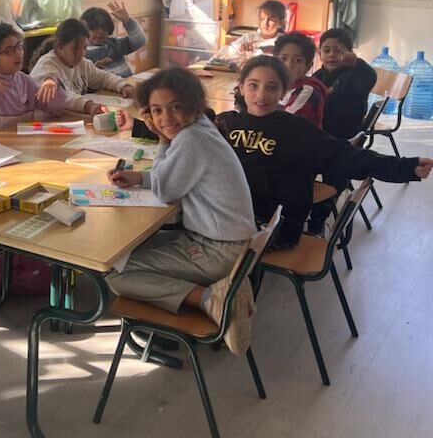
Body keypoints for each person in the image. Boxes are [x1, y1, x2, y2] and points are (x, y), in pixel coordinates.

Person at [105, 68, 258, 355]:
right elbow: (178, 177)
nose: (165, 118)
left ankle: (211, 299)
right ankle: (216, 292)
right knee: (130, 251)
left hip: (218, 250)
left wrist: (162, 141)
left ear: (194, 105)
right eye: (157, 110)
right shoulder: (201, 128)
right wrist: (141, 178)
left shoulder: (191, 139)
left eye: (175, 107)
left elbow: (166, 190)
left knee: (115, 273)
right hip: (230, 243)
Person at [217, 55, 432, 249]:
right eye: (253, 86)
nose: (261, 95)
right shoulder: (225, 123)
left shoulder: (297, 130)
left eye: (272, 88)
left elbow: (346, 156)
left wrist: (407, 167)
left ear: (284, 91)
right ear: (241, 87)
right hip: (230, 214)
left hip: (272, 225)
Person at [29, 18, 135, 116]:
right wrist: (88, 105)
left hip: (70, 118)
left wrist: (123, 86)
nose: (81, 53)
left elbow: (102, 77)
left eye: (84, 48)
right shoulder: (47, 67)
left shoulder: (82, 63)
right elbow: (61, 96)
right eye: (75, 49)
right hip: (45, 122)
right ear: (60, 47)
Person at [314, 27, 377, 139]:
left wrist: (356, 63)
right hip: (320, 129)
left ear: (350, 54)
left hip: (342, 134)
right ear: (319, 54)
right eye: (326, 51)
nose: (332, 55)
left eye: (338, 51)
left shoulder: (355, 76)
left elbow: (370, 76)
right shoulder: (318, 76)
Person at [273, 32, 327, 127]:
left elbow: (284, 123)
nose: (288, 65)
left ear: (308, 67)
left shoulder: (307, 90)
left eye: (297, 61)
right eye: (283, 59)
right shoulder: (277, 87)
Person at [80, 1, 146, 78]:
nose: (100, 31)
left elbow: (139, 41)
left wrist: (127, 21)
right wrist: (95, 69)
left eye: (104, 28)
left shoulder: (114, 43)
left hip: (127, 82)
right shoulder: (82, 53)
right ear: (84, 29)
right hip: (105, 85)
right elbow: (80, 79)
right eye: (95, 28)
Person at [212, 0, 287, 65]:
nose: (265, 23)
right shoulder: (248, 38)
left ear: (280, 23)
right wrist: (240, 49)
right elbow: (221, 54)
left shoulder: (284, 42)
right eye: (262, 19)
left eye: (271, 20)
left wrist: (276, 51)